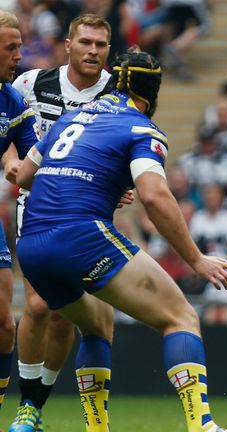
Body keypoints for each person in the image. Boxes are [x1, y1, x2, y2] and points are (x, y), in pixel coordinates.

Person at [14, 49, 227, 432]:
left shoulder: (69, 118)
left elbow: (25, 176)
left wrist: (90, 179)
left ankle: (97, 428)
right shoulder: (140, 127)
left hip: (31, 246)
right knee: (179, 317)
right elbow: (154, 196)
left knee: (97, 324)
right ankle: (203, 426)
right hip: (80, 236)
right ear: (153, 94)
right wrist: (196, 259)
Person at [6, 14, 113, 431]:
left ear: (108, 50)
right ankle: (27, 405)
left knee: (61, 314)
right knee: (36, 304)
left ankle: (37, 402)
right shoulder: (30, 84)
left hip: (89, 212)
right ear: (67, 44)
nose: (92, 51)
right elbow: (7, 136)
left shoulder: (116, 94)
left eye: (101, 45)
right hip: (36, 205)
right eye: (85, 42)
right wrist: (12, 163)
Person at [0, 8, 39, 422]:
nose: (18, 56)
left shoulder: (12, 101)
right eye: (11, 49)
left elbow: (35, 162)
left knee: (3, 325)